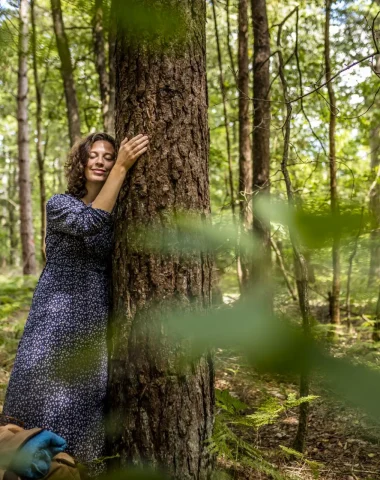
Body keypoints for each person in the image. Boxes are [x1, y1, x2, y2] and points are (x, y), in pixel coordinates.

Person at [2, 132, 149, 473]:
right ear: (81, 164)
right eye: (93, 155)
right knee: (35, 398)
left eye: (109, 156)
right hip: (53, 317)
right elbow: (88, 221)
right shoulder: (59, 204)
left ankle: (71, 470)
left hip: (93, 318)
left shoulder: (121, 215)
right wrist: (122, 168)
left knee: (83, 402)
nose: (100, 161)